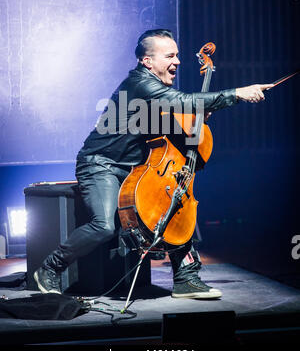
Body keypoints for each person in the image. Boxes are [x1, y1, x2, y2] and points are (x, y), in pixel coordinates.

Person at [34, 29, 273, 299]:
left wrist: (199, 115)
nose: (178, 62)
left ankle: (185, 278)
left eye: (178, 55)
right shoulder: (140, 84)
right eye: (170, 56)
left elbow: (178, 112)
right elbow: (183, 101)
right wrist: (237, 93)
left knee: (176, 201)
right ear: (147, 61)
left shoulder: (155, 90)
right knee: (103, 226)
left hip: (137, 166)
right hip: (102, 163)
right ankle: (49, 269)